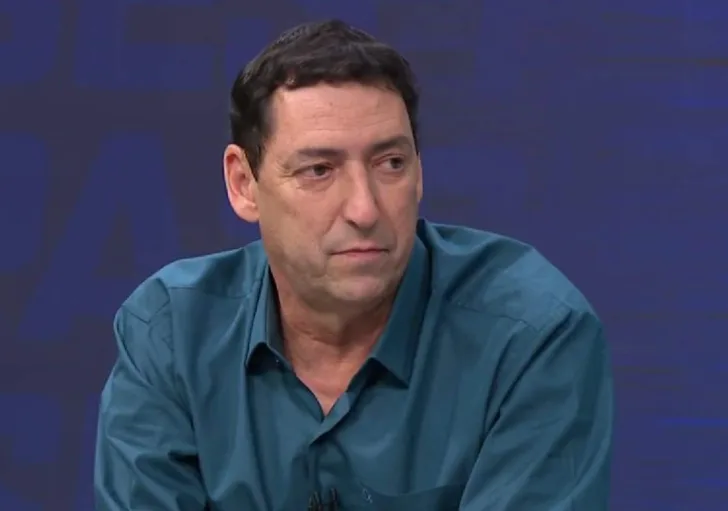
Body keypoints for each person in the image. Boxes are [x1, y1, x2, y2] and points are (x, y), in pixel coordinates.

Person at [93, 19, 613, 511]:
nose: (364, 209)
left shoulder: (531, 335)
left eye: (391, 163)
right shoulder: (171, 332)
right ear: (243, 184)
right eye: (319, 170)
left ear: (419, 171)